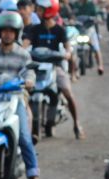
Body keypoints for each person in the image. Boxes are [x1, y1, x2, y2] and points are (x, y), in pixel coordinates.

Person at [0, 11, 45, 179]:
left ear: (17, 33)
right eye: (4, 31)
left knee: (24, 137)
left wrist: (30, 80)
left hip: (14, 99)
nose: (7, 34)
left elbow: (29, 73)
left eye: (11, 31)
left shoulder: (23, 55)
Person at [26, 0, 85, 138]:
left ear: (49, 10)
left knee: (67, 91)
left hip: (55, 66)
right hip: (36, 67)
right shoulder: (34, 29)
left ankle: (76, 124)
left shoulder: (60, 30)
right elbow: (26, 44)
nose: (37, 12)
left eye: (40, 9)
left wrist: (68, 53)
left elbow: (67, 47)